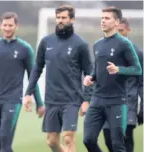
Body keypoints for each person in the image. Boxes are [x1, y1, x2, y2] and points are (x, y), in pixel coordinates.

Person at [24, 5, 92, 152]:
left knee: (68, 137)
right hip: (52, 100)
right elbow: (37, 69)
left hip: (72, 100)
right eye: (58, 17)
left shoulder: (80, 44)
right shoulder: (46, 42)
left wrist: (87, 99)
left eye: (64, 18)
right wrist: (28, 93)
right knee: (52, 142)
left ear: (72, 19)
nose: (60, 20)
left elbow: (89, 74)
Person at [0, 12, 44, 152]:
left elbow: (32, 77)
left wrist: (39, 103)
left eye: (10, 25)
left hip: (13, 100)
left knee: (5, 139)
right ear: (0, 26)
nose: (7, 28)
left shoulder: (25, 49)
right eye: (5, 25)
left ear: (16, 26)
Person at [83, 6, 142, 152]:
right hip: (97, 100)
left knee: (117, 145)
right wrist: (91, 77)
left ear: (116, 22)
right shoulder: (97, 45)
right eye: (102, 18)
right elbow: (97, 68)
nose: (103, 21)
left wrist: (119, 70)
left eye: (107, 18)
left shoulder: (124, 44)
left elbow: (137, 69)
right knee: (88, 140)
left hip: (117, 101)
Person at [102, 17, 143, 152]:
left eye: (121, 31)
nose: (118, 34)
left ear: (128, 30)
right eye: (116, 31)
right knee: (109, 139)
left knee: (125, 138)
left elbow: (142, 83)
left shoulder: (137, 53)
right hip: (108, 103)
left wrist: (142, 108)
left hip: (128, 104)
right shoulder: (105, 50)